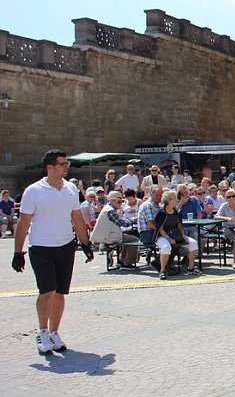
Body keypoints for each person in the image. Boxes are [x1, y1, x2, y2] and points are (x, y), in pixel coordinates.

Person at [11, 149, 95, 355]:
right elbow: (23, 223)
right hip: (41, 247)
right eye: (62, 164)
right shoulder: (33, 191)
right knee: (46, 291)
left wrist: (85, 244)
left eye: (66, 163)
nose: (66, 166)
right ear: (50, 167)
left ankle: (54, 332)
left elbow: (76, 218)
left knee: (60, 293)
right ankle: (42, 331)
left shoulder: (70, 190)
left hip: (65, 246)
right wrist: (18, 252)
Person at [154, 189, 199, 279]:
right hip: (162, 236)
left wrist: (183, 236)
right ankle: (162, 271)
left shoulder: (176, 212)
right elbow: (160, 229)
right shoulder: (161, 213)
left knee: (193, 243)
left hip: (175, 234)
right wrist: (168, 238)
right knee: (166, 246)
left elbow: (179, 226)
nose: (176, 200)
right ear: (169, 200)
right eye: (174, 198)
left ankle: (191, 268)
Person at [90, 191, 139, 269]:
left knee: (128, 239)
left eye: (121, 202)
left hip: (108, 234)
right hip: (109, 235)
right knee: (134, 240)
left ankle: (122, 261)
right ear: (112, 201)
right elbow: (122, 224)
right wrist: (134, 220)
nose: (120, 204)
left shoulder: (108, 208)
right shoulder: (110, 211)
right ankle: (127, 263)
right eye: (119, 202)